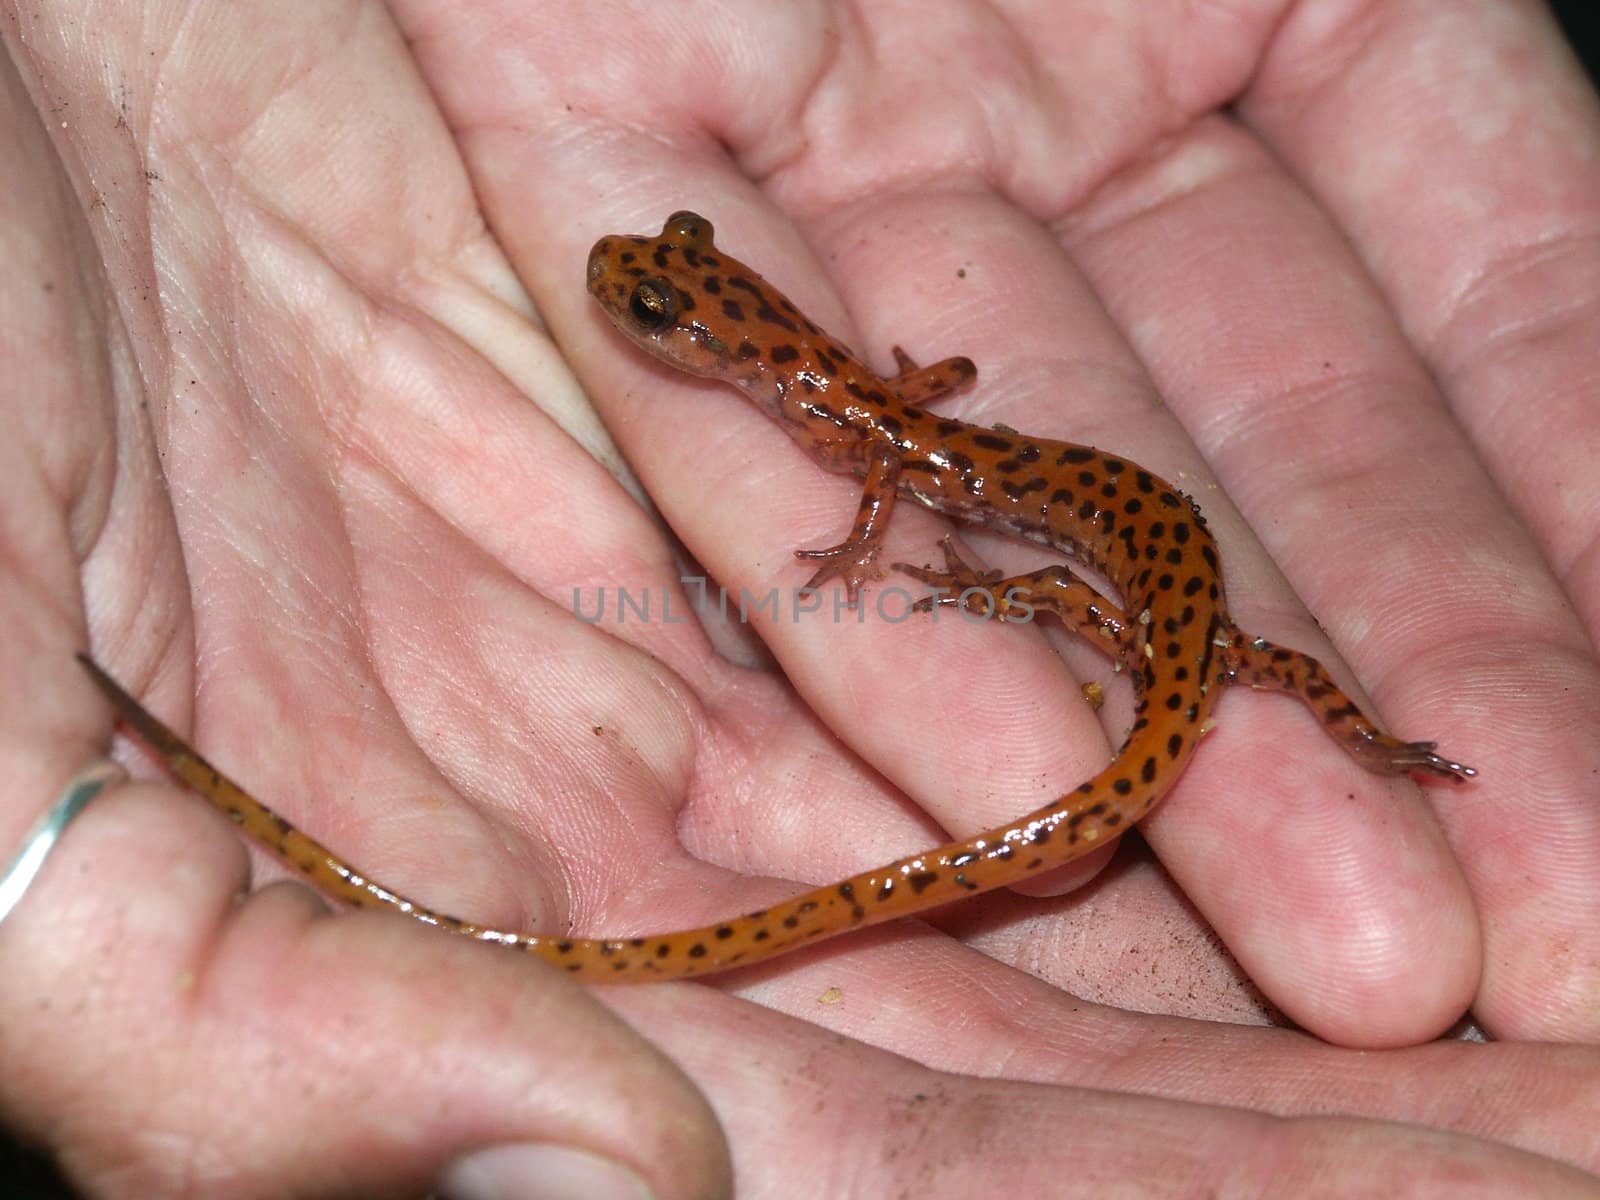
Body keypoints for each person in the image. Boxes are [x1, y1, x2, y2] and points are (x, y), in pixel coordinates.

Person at [3, 3, 1598, 1196]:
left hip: (1139, 590)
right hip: (1139, 581)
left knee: (1153, 655)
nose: (634, 287)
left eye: (659, 292)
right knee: (1184, 658)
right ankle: (1323, 733)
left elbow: (919, 445)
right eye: (655, 281)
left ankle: (1344, 745)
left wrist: (887, 548)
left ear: (725, 343)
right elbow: (944, 403)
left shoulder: (846, 425)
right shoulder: (849, 414)